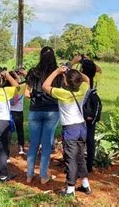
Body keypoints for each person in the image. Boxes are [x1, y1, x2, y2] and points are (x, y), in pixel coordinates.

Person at [42, 66, 91, 196]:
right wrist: (73, 72)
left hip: (70, 129)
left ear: (66, 82)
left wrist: (57, 71)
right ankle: (85, 185)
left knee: (71, 159)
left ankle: (70, 190)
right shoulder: (83, 88)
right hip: (81, 127)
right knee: (80, 158)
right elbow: (86, 79)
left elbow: (45, 86)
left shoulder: (62, 93)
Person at [24, 46, 61, 184]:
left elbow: (27, 94)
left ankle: (29, 174)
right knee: (46, 144)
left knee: (33, 143)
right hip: (52, 111)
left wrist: (36, 95)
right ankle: (43, 176)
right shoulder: (58, 74)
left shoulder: (33, 72)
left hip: (35, 110)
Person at [69, 55, 102, 173]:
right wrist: (89, 61)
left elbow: (71, 74)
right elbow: (98, 69)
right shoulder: (96, 77)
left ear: (82, 70)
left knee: (79, 140)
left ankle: (77, 165)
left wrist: (75, 62)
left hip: (80, 111)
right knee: (90, 139)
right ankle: (89, 166)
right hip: (92, 110)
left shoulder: (81, 80)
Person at [6, 69, 27, 157]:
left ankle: (6, 152)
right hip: (17, 112)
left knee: (9, 132)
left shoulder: (6, 88)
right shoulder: (20, 87)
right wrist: (23, 74)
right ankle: (21, 148)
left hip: (9, 112)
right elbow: (29, 80)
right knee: (19, 130)